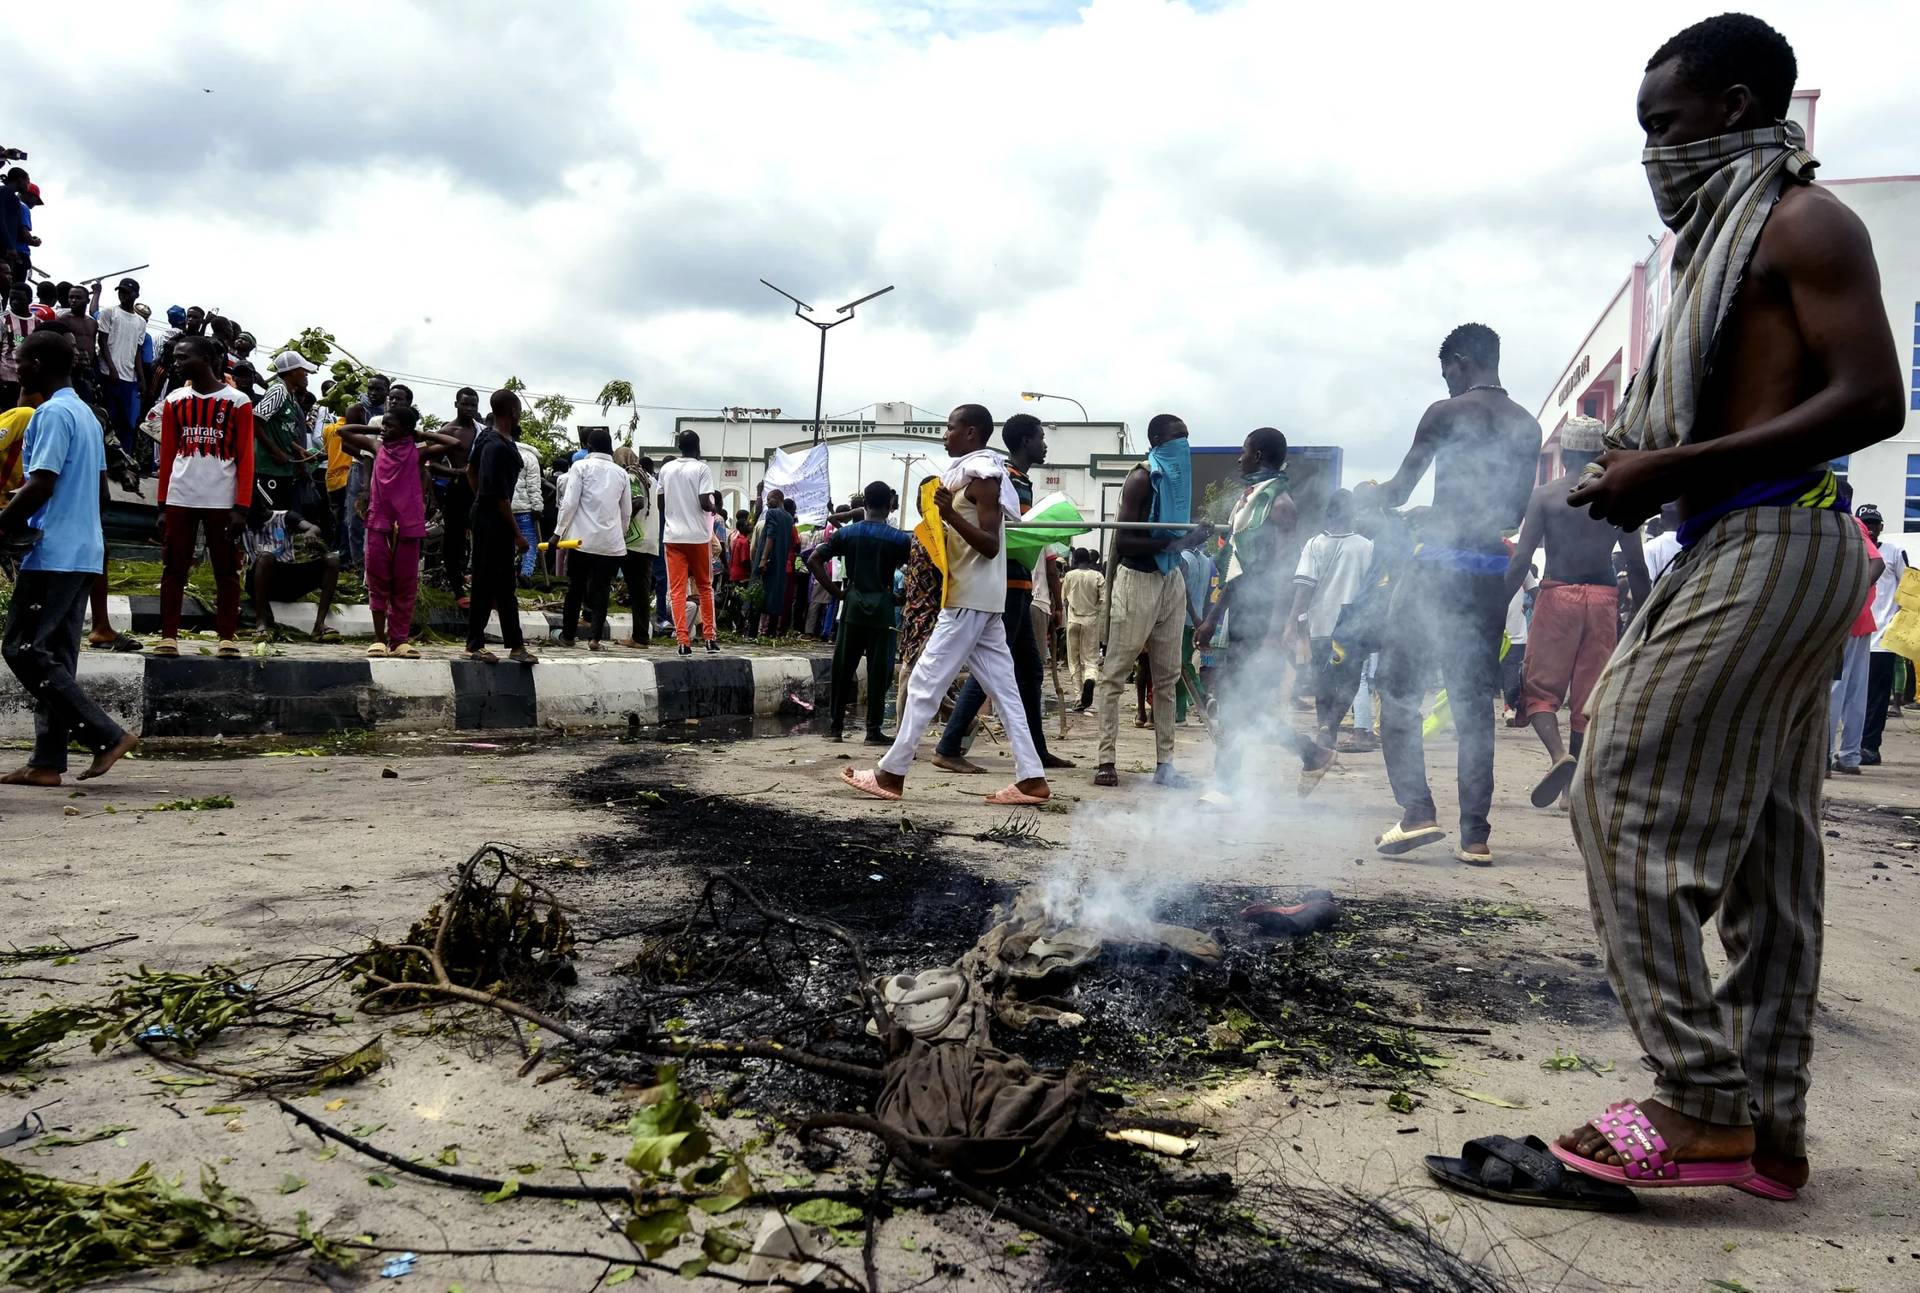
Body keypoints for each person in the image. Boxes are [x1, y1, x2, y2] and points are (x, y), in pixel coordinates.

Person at [1546, 14, 1905, 1198]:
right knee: (1767, 849)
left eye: (1667, 124)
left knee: (1618, 784)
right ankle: (1773, 1126)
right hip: (1737, 532)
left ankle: (1699, 1099)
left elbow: (1874, 399)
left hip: (1776, 532)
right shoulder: (1720, 240)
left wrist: (1678, 468)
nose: (1654, 153)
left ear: (1740, 105)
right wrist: (1644, 469)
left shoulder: (1804, 220)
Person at [1355, 324, 1538, 865]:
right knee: (1474, 706)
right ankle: (1475, 838)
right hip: (1487, 572)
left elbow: (1400, 489)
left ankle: (1416, 813)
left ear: (1460, 362)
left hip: (1436, 569)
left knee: (1399, 691)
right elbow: (1512, 514)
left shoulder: (1444, 412)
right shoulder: (1527, 425)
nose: (1449, 383)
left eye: (1448, 374)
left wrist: (1372, 498)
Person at [842, 405, 1050, 806]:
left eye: (950, 428)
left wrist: (950, 514)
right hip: (980, 598)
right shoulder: (972, 475)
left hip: (970, 597)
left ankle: (891, 772)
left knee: (923, 683)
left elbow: (990, 545)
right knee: (1006, 693)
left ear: (971, 433)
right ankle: (1031, 778)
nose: (944, 434)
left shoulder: (983, 477)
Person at [0, 329, 138, 785]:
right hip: (83, 550)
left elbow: (42, 483)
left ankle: (105, 735)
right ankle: (46, 763)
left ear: (36, 364)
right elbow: (99, 490)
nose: (16, 369)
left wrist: (4, 524)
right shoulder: (87, 414)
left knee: (21, 648)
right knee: (53, 655)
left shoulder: (53, 414)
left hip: (53, 552)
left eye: (19, 361)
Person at [1506, 415, 1650, 808]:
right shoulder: (1618, 496)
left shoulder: (1547, 495)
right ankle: (1571, 793)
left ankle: (1559, 757)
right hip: (1603, 600)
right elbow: (1636, 568)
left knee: (1539, 691)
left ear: (1565, 453)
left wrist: (1495, 608)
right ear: (1601, 455)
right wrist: (1647, 617)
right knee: (1589, 697)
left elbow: (1521, 560)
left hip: (1557, 596)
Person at [933, 414, 1073, 774]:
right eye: (1041, 437)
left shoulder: (1021, 481)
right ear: (1025, 441)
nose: (1044, 444)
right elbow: (997, 535)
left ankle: (1037, 750)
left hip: (1021, 584)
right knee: (991, 671)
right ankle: (949, 745)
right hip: (1006, 585)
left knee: (1029, 670)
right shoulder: (1002, 479)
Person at [1094, 413, 1206, 789]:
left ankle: (1165, 764)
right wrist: (1179, 542)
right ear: (1157, 440)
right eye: (1178, 438)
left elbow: (1175, 533)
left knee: (1168, 675)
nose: (1184, 446)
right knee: (1115, 674)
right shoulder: (1143, 477)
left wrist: (1187, 541)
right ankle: (1105, 760)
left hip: (1169, 578)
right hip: (1138, 579)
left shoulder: (1178, 485)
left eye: (1187, 438)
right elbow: (1125, 540)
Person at [1194, 427, 1299, 801]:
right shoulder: (1251, 501)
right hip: (1242, 610)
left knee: (1239, 700)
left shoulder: (1280, 504)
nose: (1239, 458)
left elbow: (1286, 572)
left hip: (1262, 613)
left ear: (1258, 456)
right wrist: (1212, 618)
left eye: (1244, 451)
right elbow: (1236, 569)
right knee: (1240, 701)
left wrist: (1276, 630)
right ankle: (1311, 753)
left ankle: (1226, 784)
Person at [151, 334, 253, 658]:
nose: (177, 364)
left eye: (184, 358)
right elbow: (167, 455)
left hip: (222, 499)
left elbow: (245, 457)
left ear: (206, 361)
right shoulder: (174, 401)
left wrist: (242, 505)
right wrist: (162, 505)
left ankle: (227, 636)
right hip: (181, 496)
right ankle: (168, 635)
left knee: (226, 569)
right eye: (176, 358)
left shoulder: (238, 402)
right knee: (174, 567)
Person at [1278, 488, 1375, 792]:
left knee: (1323, 682)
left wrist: (1292, 621)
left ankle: (1324, 731)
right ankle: (1328, 729)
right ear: (1352, 513)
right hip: (1354, 627)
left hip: (1320, 626)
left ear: (1327, 513)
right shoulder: (1367, 546)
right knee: (1350, 681)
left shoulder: (1314, 545)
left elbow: (1304, 586)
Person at [339, 405, 446, 657]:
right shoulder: (378, 448)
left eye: (390, 425)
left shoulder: (417, 453)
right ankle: (379, 639)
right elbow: (344, 431)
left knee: (405, 584)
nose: (384, 430)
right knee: (378, 581)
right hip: (379, 523)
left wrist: (422, 436)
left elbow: (451, 443)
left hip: (408, 525)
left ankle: (399, 640)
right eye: (383, 425)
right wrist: (377, 428)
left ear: (407, 430)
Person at [810, 481, 912, 743]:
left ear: (864, 504)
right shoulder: (900, 539)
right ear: (889, 506)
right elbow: (920, 569)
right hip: (882, 608)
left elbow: (814, 560)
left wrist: (837, 593)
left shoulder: (847, 535)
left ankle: (835, 728)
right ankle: (873, 730)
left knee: (843, 668)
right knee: (880, 671)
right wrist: (902, 596)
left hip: (853, 605)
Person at [465, 389, 537, 665]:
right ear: (514, 412)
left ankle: (513, 644)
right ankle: (477, 644)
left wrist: (478, 500)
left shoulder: (489, 438)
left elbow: (470, 472)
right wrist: (518, 534)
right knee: (489, 582)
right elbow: (499, 496)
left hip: (486, 514)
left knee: (500, 584)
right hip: (495, 519)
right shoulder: (496, 445)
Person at [555, 427, 632, 650]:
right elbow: (626, 512)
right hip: (610, 543)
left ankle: (568, 636)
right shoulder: (621, 474)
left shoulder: (580, 467)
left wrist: (558, 532)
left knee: (575, 588)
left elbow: (570, 503)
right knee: (601, 590)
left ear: (589, 447)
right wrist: (621, 534)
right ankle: (595, 639)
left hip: (581, 541)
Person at [1828, 511, 1884, 776]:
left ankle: (1827, 756)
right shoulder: (1849, 525)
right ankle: (1849, 757)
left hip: (1845, 620)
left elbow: (1877, 563)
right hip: (1860, 621)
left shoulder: (1848, 524)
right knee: (1854, 693)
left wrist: (1852, 595)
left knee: (1834, 690)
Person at [659, 430, 721, 654]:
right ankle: (709, 639)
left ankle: (683, 642)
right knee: (705, 587)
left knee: (677, 591)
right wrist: (715, 507)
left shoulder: (666, 469)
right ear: (698, 447)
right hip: (698, 538)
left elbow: (660, 504)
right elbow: (705, 502)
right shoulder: (702, 468)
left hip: (673, 537)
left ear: (679, 447)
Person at [249, 505, 341, 644]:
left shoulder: (284, 516)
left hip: (286, 578)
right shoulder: (240, 520)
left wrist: (311, 532)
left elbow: (313, 527)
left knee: (332, 560)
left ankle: (319, 626)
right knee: (265, 558)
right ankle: (261, 623)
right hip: (257, 582)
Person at [1858, 504, 1907, 767]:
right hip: (1855, 635)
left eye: (1875, 523)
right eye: (1867, 523)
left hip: (1882, 639)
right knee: (1854, 697)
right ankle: (1850, 747)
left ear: (1882, 527)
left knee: (1877, 698)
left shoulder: (1893, 553)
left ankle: (1869, 747)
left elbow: (1908, 590)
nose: (1872, 528)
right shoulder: (1854, 549)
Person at [252, 351, 320, 518]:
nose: (306, 374)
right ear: (291, 372)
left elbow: (282, 430)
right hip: (268, 468)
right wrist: (276, 452)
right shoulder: (278, 391)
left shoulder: (289, 394)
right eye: (303, 370)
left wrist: (299, 450)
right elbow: (254, 421)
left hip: (282, 470)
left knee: (283, 515)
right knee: (272, 517)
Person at [436, 387, 483, 606]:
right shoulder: (447, 431)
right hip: (457, 489)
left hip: (480, 490)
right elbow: (431, 463)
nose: (470, 409)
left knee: (484, 539)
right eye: (465, 404)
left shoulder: (482, 430)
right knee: (453, 541)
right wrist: (456, 472)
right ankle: (457, 590)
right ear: (456, 404)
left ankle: (484, 588)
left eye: (473, 405)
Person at [339, 374, 391, 569]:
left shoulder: (390, 412)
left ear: (387, 390)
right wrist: (370, 458)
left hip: (385, 471)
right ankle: (357, 565)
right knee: (356, 516)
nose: (373, 393)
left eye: (379, 389)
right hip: (361, 467)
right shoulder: (357, 410)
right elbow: (346, 445)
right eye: (370, 388)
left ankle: (375, 563)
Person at [94, 278, 147, 462]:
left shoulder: (140, 321)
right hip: (108, 373)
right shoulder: (110, 312)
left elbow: (137, 351)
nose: (123, 295)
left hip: (128, 377)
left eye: (127, 292)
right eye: (121, 291)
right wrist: (111, 368)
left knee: (125, 422)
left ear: (136, 295)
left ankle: (122, 458)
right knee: (107, 417)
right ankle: (101, 458)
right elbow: (103, 341)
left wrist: (141, 378)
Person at [614, 451, 657, 645]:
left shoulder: (631, 475)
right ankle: (640, 636)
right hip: (649, 540)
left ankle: (590, 618)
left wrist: (625, 524)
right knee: (642, 591)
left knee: (604, 577)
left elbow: (638, 502)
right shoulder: (650, 478)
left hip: (633, 540)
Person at [1062, 548, 1104, 711]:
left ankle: (1079, 697)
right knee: (1090, 659)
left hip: (1073, 620)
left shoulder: (1069, 576)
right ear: (1089, 560)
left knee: (1074, 660)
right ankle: (1090, 679)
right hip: (1091, 621)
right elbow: (1103, 599)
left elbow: (1064, 599)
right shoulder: (1098, 576)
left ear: (1075, 560)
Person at [753, 487, 797, 638]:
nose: (767, 503)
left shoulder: (771, 513)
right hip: (781, 561)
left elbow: (770, 537)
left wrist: (763, 559)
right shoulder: (789, 518)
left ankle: (753, 632)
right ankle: (770, 631)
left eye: (769, 499)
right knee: (776, 595)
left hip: (769, 560)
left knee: (758, 593)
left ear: (778, 499)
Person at [1501, 563, 1538, 726]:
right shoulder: (1484, 563)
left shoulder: (1523, 570)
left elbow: (1537, 595)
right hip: (1489, 634)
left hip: (1515, 636)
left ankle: (1511, 707)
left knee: (1513, 682)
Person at [0, 280, 34, 410]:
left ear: (29, 300)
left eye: (19, 299)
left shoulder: (38, 323)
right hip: (6, 379)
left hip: (29, 382)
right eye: (12, 298)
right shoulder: (3, 320)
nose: (14, 302)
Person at [727, 508, 754, 637]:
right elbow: (745, 560)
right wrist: (750, 571)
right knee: (741, 602)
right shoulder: (743, 542)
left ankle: (736, 625)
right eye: (748, 525)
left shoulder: (736, 540)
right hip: (741, 575)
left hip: (733, 573)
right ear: (742, 527)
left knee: (735, 601)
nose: (750, 526)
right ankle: (740, 626)